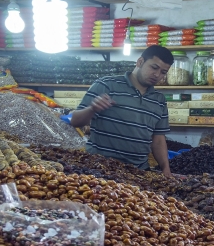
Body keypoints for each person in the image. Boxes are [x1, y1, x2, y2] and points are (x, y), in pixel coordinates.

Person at [71, 45, 174, 177]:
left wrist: (166, 169)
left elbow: (158, 139)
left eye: (163, 72)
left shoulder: (159, 100)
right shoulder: (106, 85)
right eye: (154, 68)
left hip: (139, 172)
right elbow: (75, 121)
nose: (157, 75)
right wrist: (92, 109)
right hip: (100, 169)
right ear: (140, 62)